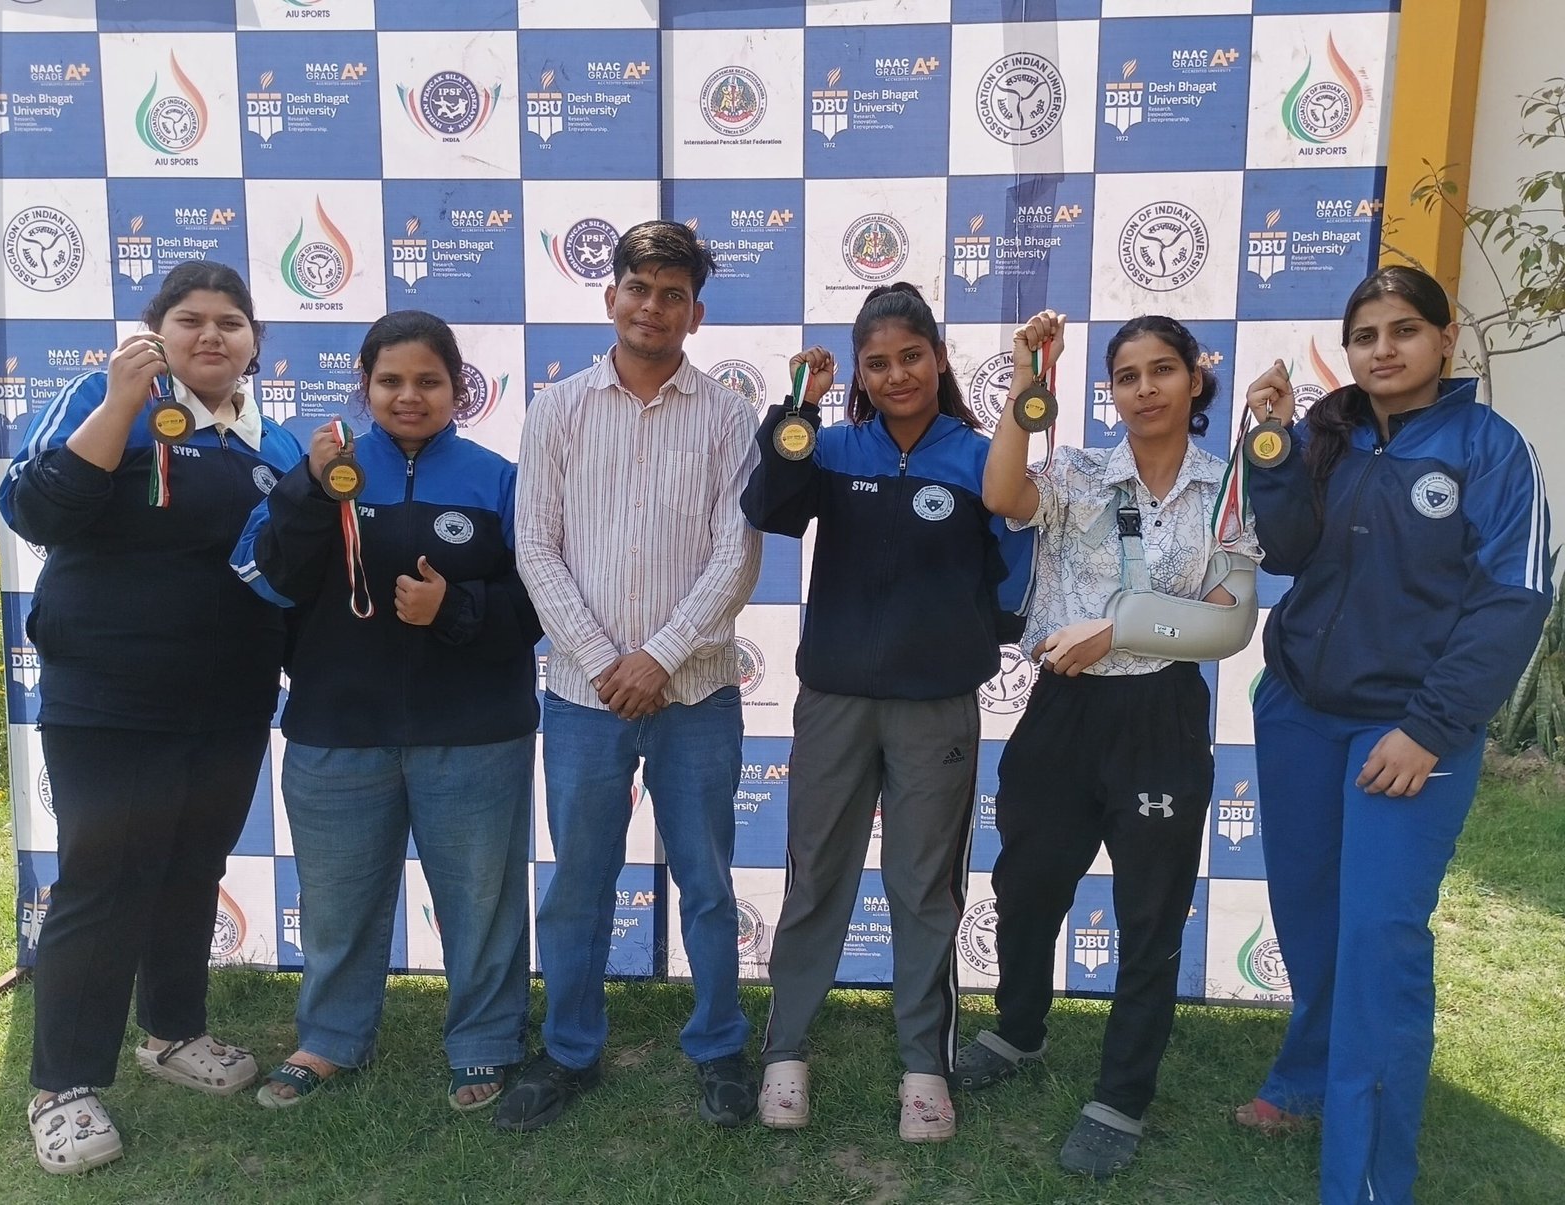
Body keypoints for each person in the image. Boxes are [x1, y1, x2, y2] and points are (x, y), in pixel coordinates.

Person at [1235, 265, 1551, 1204]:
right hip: (1299, 711)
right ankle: (1304, 1080)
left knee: (1380, 935)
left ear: (1444, 341)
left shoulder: (1491, 449)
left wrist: (1430, 729)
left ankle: (1366, 1176)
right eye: (1367, 333)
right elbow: (1285, 551)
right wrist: (1273, 450)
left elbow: (1513, 600)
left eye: (1404, 330)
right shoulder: (1327, 431)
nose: (1384, 349)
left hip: (1408, 731)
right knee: (1313, 916)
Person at [0, 262, 302, 1175]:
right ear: (154, 333)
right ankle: (62, 1086)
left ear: (256, 344)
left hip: (229, 698)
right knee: (103, 876)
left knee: (189, 866)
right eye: (191, 320)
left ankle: (172, 1032)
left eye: (232, 323)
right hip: (111, 697)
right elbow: (35, 508)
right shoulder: (102, 396)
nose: (212, 336)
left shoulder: (275, 442)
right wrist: (122, 403)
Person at [960, 312, 1262, 1178]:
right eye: (1127, 376)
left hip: (1159, 715)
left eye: (1161, 370)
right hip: (1062, 710)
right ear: (1110, 390)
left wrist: (1121, 629)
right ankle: (1017, 1030)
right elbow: (1001, 496)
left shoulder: (1226, 486)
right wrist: (1025, 374)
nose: (1144, 390)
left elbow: (1228, 624)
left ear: (1194, 381)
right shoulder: (1079, 468)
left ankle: (1120, 1097)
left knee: (1151, 911)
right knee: (1027, 882)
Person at [741, 283, 1034, 1142]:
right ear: (859, 374)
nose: (897, 372)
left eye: (912, 355)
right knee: (816, 876)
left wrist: (964, 638)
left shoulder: (980, 457)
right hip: (833, 700)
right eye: (878, 361)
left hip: (935, 708)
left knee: (924, 887)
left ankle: (923, 1068)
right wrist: (798, 407)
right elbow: (771, 508)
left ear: (938, 359)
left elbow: (1015, 578)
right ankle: (786, 1054)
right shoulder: (831, 446)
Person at [232, 311, 542, 1113]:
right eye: (392, 380)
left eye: (429, 381)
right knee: (336, 901)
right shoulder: (323, 467)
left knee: (482, 899)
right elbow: (272, 576)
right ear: (365, 385)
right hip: (339, 728)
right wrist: (308, 483)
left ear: (458, 388)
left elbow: (541, 603)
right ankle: (330, 1037)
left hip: (475, 730)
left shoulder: (497, 477)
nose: (410, 396)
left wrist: (453, 607)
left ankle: (483, 1041)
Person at [503, 220, 763, 1131]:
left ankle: (721, 1043)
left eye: (673, 294)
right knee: (579, 879)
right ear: (610, 295)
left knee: (708, 881)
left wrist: (659, 657)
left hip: (695, 692)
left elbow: (736, 557)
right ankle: (570, 1047)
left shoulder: (732, 417)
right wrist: (607, 662)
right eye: (638, 288)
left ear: (696, 313)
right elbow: (534, 546)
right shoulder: (559, 409)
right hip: (584, 697)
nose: (653, 306)